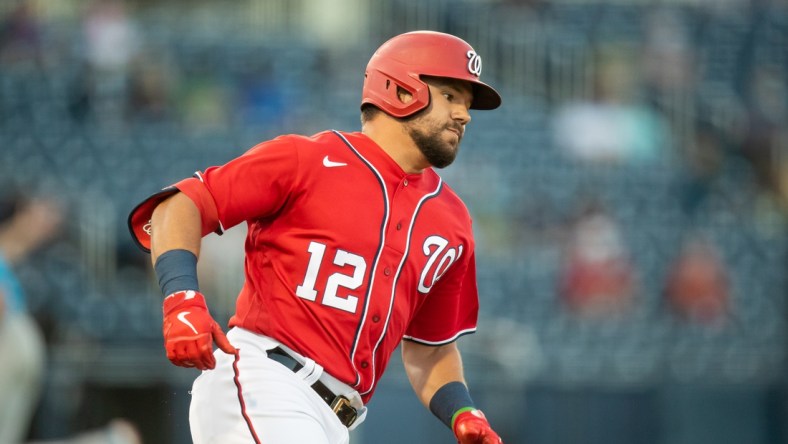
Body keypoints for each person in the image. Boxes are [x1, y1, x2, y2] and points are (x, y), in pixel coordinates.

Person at [128, 30, 504, 443]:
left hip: (335, 421)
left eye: (468, 104)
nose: (464, 114)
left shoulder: (452, 220)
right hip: (266, 380)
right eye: (451, 95)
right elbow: (179, 206)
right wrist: (181, 298)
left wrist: (462, 412)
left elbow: (430, 349)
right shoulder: (307, 160)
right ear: (399, 90)